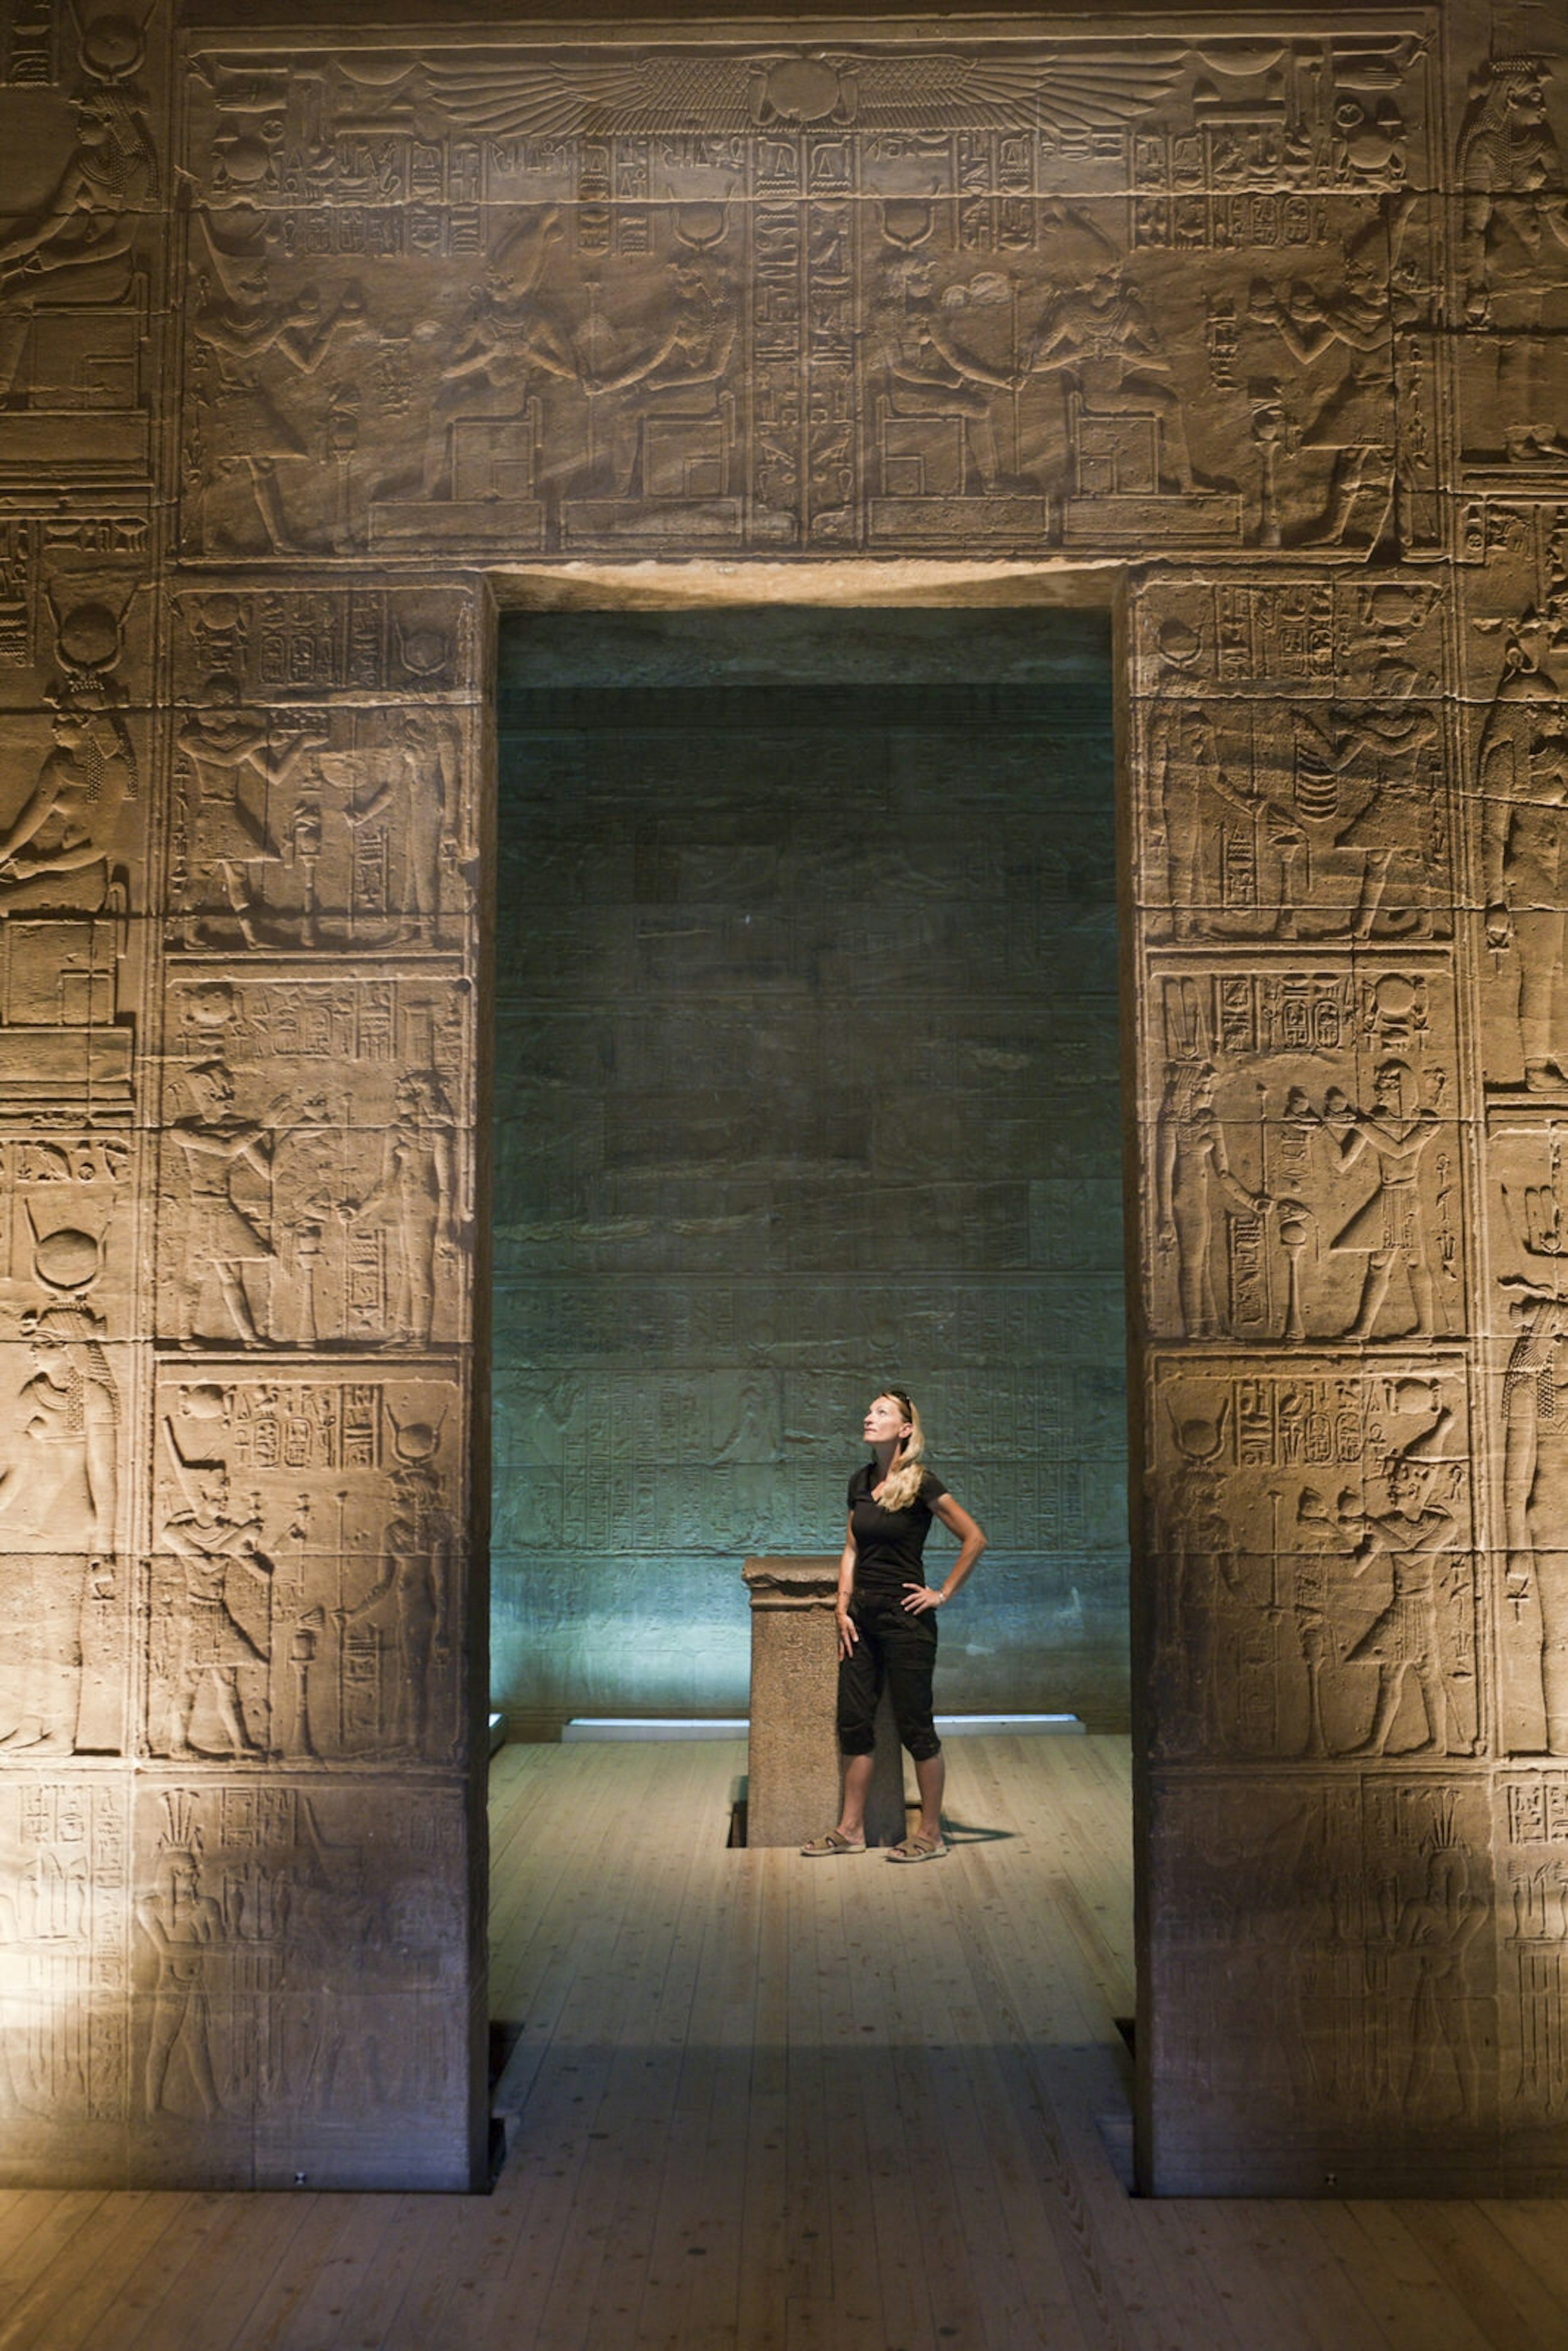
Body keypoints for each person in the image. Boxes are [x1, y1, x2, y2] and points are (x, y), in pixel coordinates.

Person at [802, 1388, 985, 1863]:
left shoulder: (921, 1482)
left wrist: (941, 1593)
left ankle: (929, 1835)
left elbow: (975, 1538)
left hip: (907, 1621)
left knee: (915, 1727)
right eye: (868, 1410)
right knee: (855, 1722)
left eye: (881, 1412)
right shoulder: (860, 1481)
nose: (869, 1416)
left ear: (905, 1429)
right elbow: (852, 1550)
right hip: (860, 1618)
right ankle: (850, 1829)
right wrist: (841, 1607)